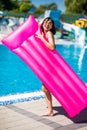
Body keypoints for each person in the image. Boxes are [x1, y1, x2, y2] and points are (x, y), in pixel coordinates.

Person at [37, 17, 56, 116]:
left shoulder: (49, 34)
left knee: (45, 88)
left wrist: (41, 38)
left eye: (50, 23)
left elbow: (52, 47)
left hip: (50, 65)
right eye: (46, 22)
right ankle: (50, 110)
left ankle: (50, 111)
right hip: (45, 64)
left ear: (52, 26)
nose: (47, 24)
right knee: (45, 88)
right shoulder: (43, 32)